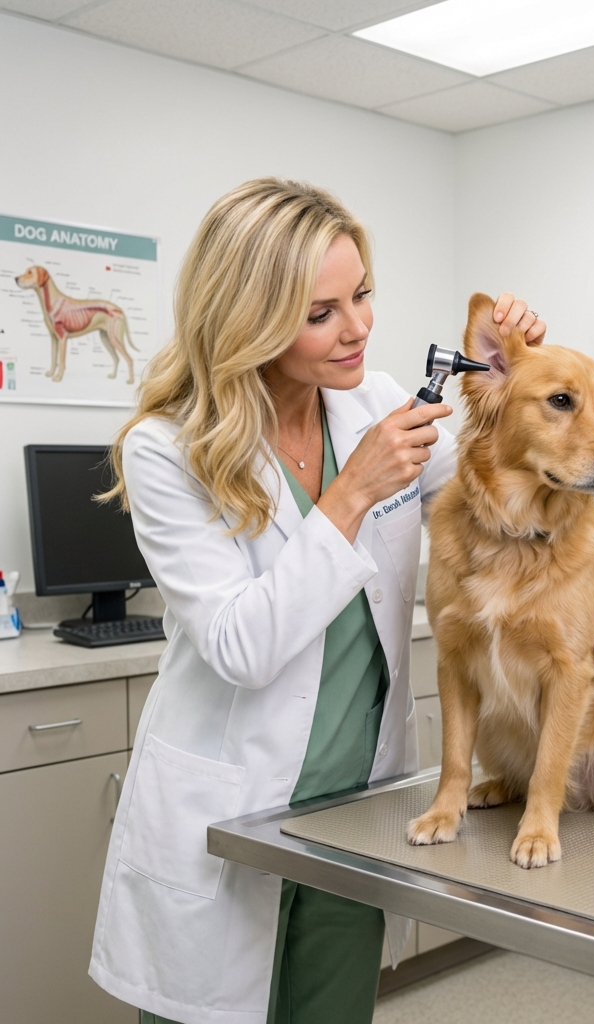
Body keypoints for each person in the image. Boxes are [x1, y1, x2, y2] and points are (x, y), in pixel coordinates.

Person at [87, 177, 544, 1024]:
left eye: (363, 294)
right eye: (321, 311)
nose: (360, 326)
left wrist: (503, 373)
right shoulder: (167, 451)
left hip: (353, 821)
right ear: (248, 317)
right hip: (226, 824)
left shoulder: (379, 405)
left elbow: (502, 484)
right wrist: (352, 495)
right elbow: (240, 647)